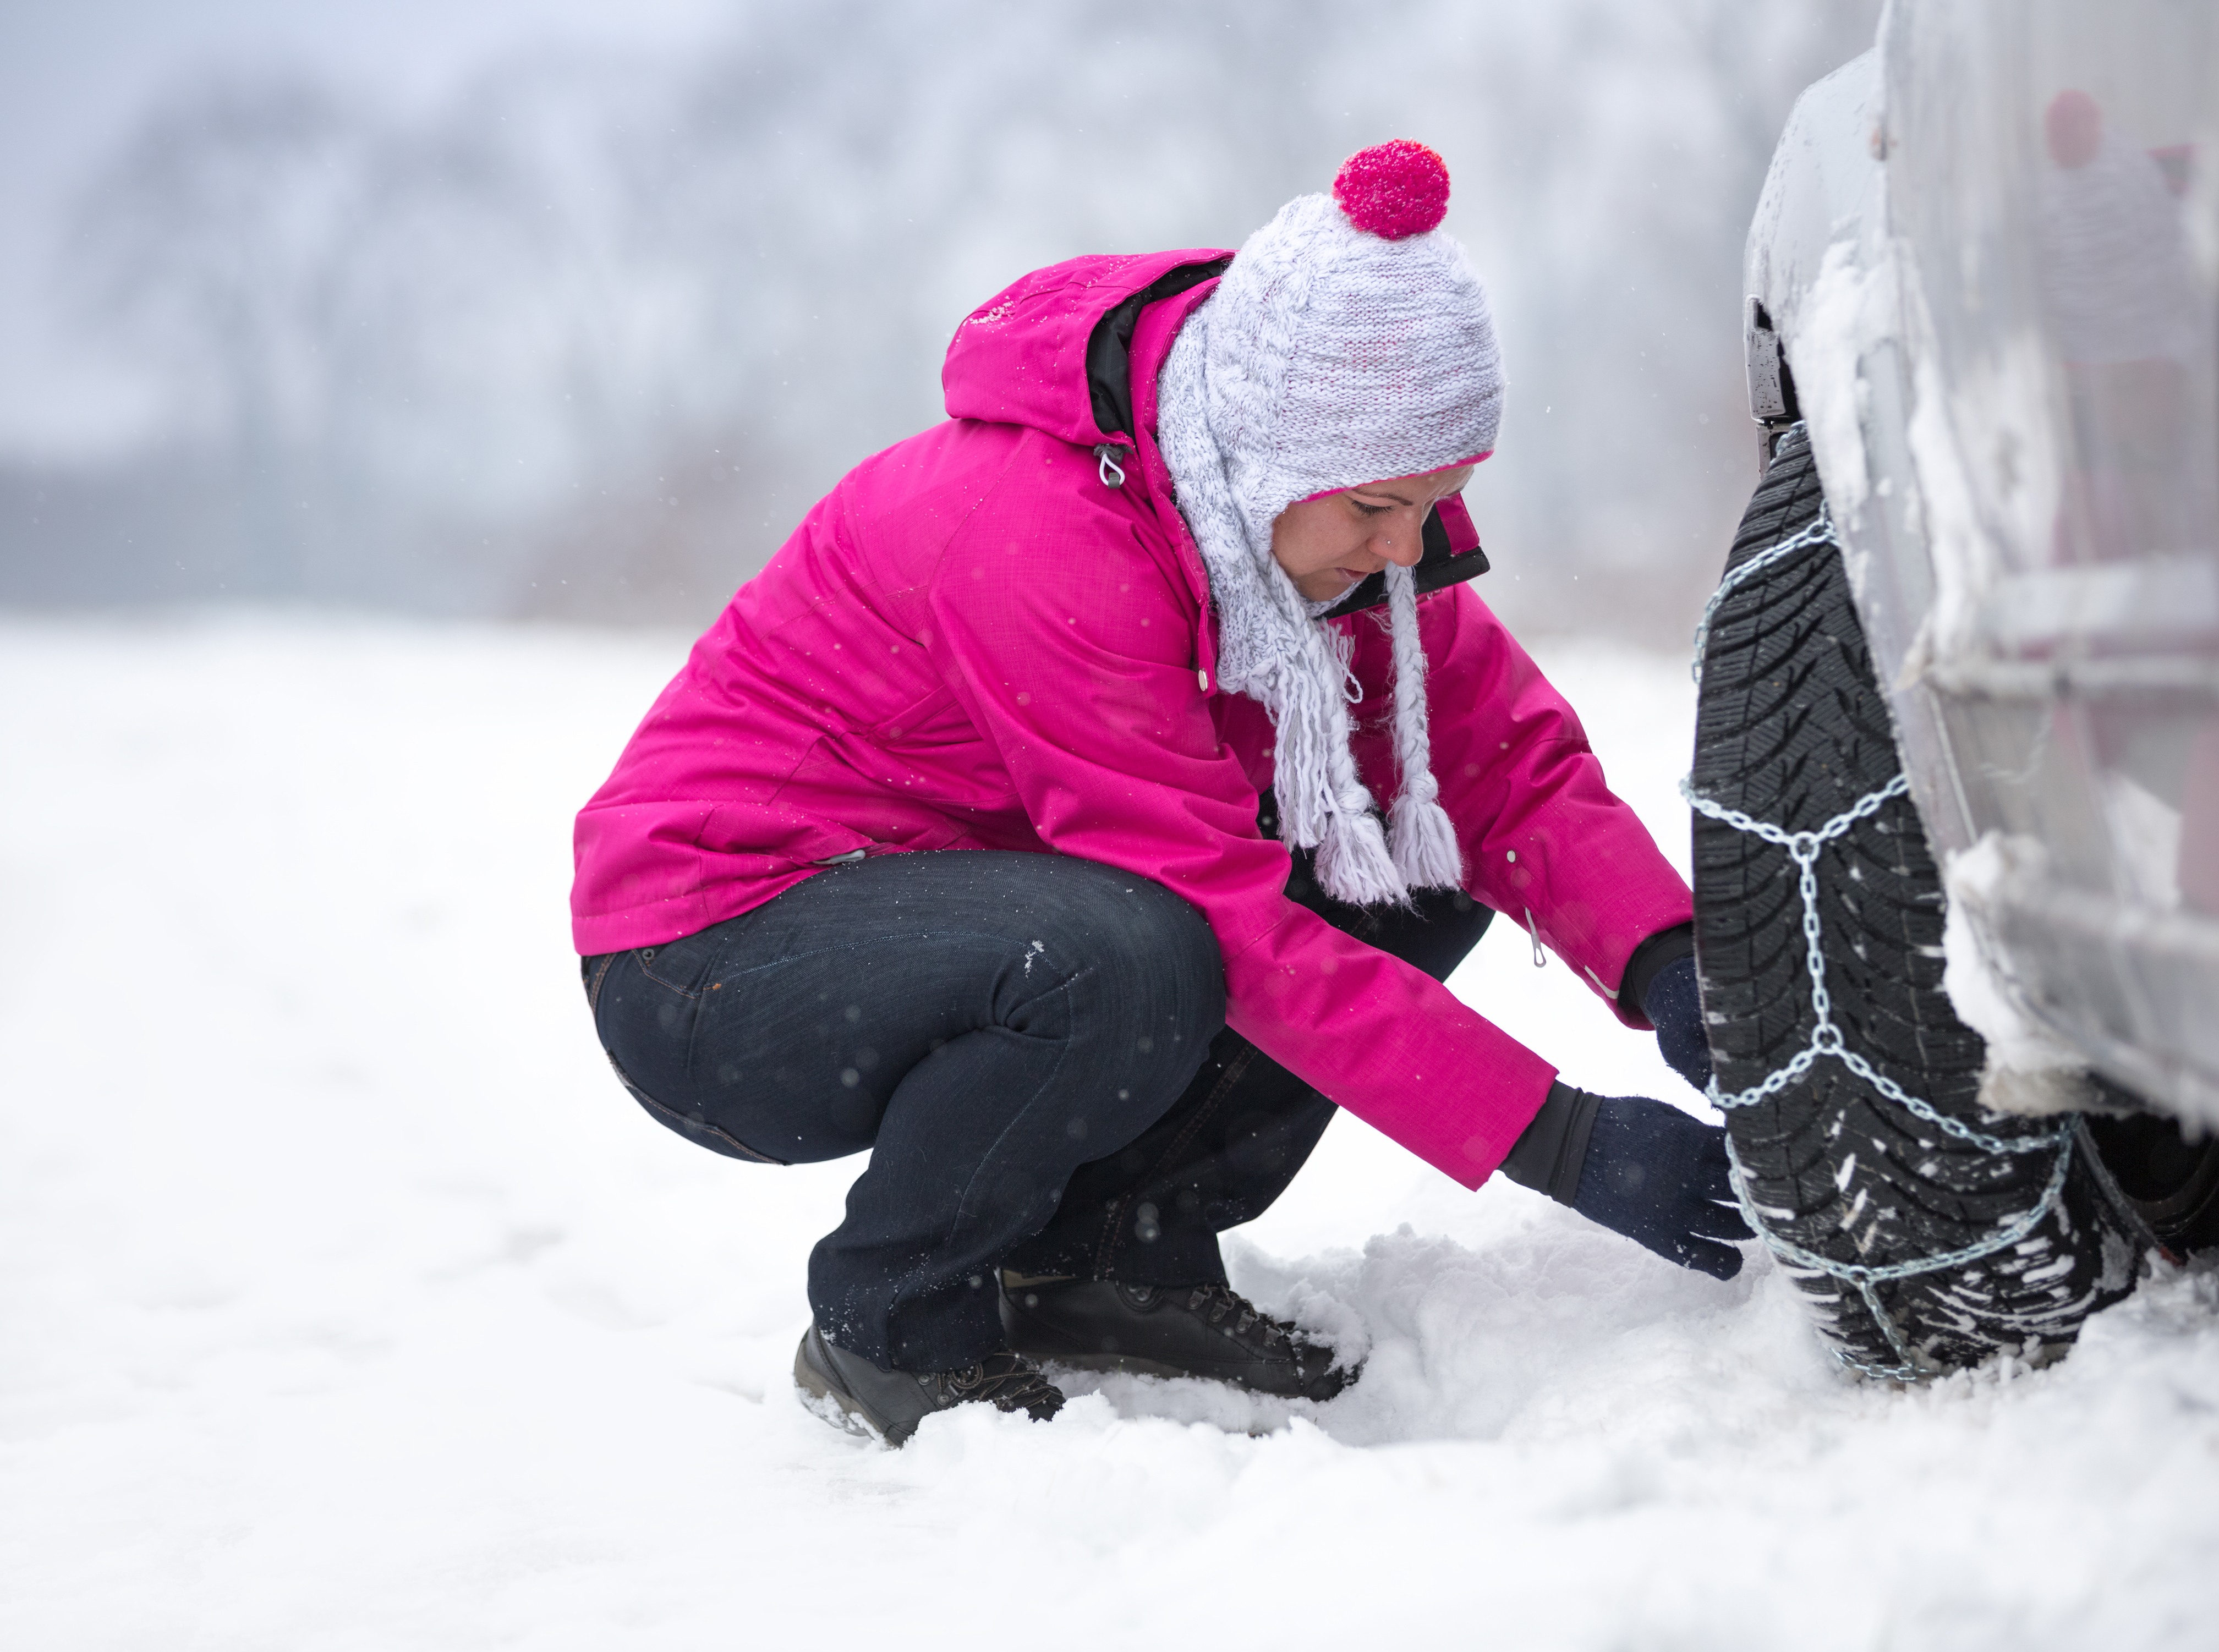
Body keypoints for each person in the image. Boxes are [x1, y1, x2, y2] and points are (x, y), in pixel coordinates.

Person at [572, 140, 1748, 1447]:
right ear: (1265, 459)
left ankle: (1115, 1258)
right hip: (713, 955)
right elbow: (1225, 920)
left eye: (1438, 501)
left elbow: (1494, 769)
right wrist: (1565, 1139)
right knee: (1125, 956)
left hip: (966, 909)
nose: (1408, 548)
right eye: (1377, 505)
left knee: (1397, 856)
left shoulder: (1309, 544)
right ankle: (887, 1324)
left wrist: (1679, 967)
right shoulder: (1041, 537)